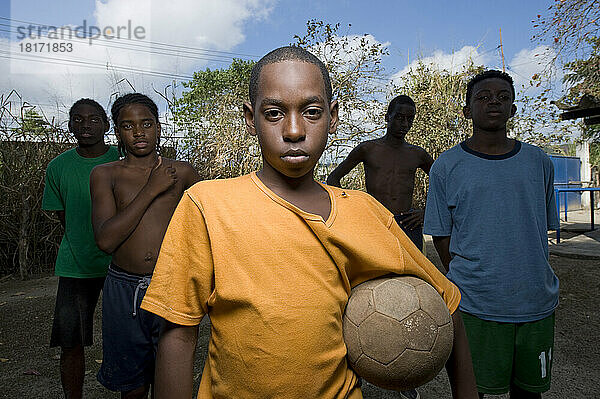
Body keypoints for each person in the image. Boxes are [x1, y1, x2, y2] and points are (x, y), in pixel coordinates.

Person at [140, 46, 478, 399]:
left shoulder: (365, 212)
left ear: (332, 116)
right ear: (249, 117)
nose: (293, 130)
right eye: (273, 113)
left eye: (312, 112)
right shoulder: (209, 204)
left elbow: (446, 302)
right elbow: (178, 333)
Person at [423, 70, 559, 399]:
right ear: (467, 111)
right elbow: (441, 235)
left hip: (534, 301)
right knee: (472, 391)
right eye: (483, 97)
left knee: (529, 392)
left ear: (513, 109)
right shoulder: (446, 166)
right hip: (474, 305)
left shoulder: (538, 161)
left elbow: (543, 226)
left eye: (502, 96)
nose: (493, 102)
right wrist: (469, 278)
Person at [90, 93, 200, 398]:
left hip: (171, 285)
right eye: (128, 125)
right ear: (117, 132)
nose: (139, 132)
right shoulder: (105, 174)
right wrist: (152, 189)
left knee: (171, 382)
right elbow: (106, 240)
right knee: (133, 386)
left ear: (159, 127)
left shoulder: (184, 173)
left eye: (146, 123)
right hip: (124, 289)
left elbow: (203, 231)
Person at [42, 99, 119, 399]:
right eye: (78, 119)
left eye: (94, 119)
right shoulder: (58, 167)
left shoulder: (124, 159)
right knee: (70, 340)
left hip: (120, 265)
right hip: (75, 266)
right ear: (70, 125)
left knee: (131, 338)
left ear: (106, 125)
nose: (86, 125)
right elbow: (65, 218)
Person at [327, 95, 433, 252]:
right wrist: (352, 207)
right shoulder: (368, 149)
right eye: (399, 117)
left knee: (414, 273)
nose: (405, 124)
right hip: (375, 221)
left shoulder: (417, 154)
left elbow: (444, 183)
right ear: (387, 117)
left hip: (407, 223)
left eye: (410, 119)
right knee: (375, 272)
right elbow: (333, 178)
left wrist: (426, 212)